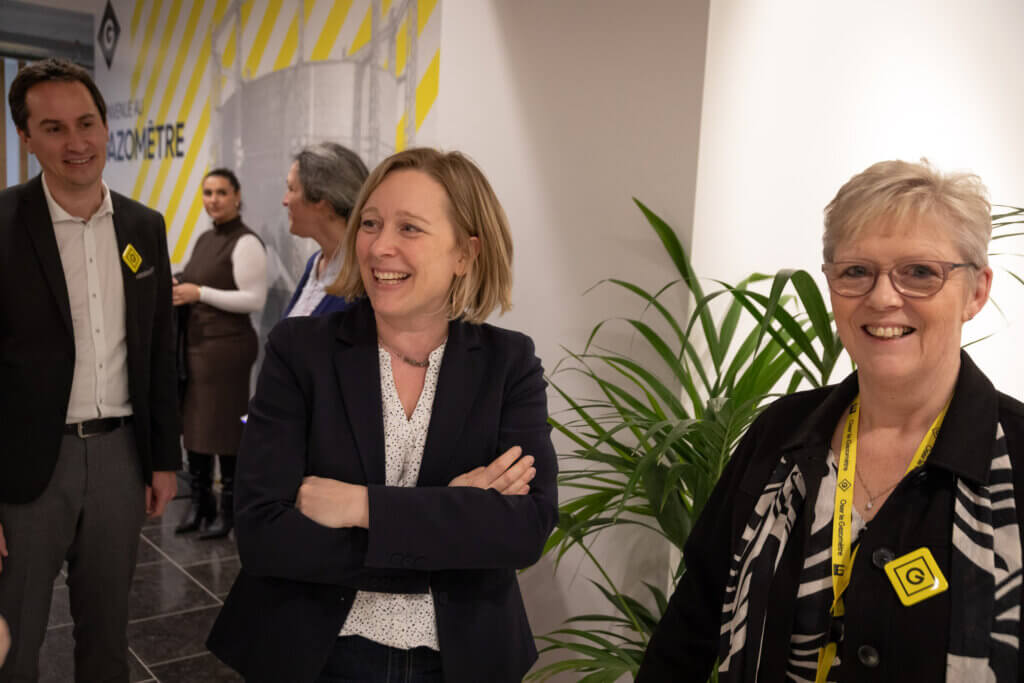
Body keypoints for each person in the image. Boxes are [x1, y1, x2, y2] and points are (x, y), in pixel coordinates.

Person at [637, 159, 1024, 682]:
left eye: (919, 273)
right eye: (856, 272)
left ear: (976, 292)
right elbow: (689, 631)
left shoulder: (1016, 453)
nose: (883, 297)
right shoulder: (779, 437)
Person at [207, 148, 557, 683]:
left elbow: (525, 530)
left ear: (466, 252)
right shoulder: (301, 351)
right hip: (314, 653)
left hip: (462, 658)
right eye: (370, 223)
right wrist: (453, 519)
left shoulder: (508, 363)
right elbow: (261, 534)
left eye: (409, 228)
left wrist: (360, 505)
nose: (379, 246)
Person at [0, 58, 179, 682]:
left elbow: (160, 349)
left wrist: (163, 459)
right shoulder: (1, 225)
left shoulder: (143, 226)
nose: (76, 143)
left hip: (119, 459)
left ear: (106, 126)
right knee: (12, 640)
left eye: (87, 123)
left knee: (107, 633)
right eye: (53, 128)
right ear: (25, 137)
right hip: (23, 469)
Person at [172, 169, 267, 540]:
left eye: (221, 192)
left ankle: (229, 510)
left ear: (237, 196)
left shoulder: (246, 243)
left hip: (227, 351)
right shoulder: (205, 238)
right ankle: (200, 504)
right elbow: (197, 281)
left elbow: (254, 300)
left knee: (226, 430)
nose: (213, 199)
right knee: (195, 427)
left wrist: (199, 293)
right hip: (198, 348)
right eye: (208, 192)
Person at [281, 142, 368, 317]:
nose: (285, 200)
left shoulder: (365, 276)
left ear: (322, 198)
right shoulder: (315, 263)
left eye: (291, 189)